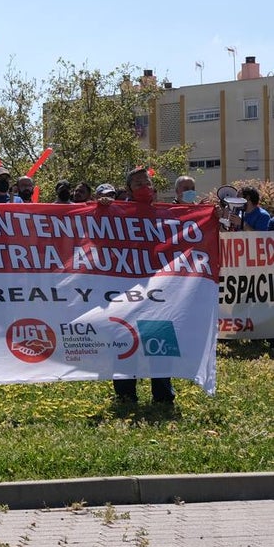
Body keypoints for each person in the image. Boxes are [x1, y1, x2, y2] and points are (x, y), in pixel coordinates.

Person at [111, 166, 175, 405]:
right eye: (137, 183)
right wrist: (103, 207)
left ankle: (163, 395)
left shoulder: (167, 213)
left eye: (146, 182)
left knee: (159, 343)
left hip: (158, 287)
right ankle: (126, 395)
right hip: (124, 286)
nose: (143, 187)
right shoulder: (118, 213)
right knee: (124, 340)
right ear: (128, 189)